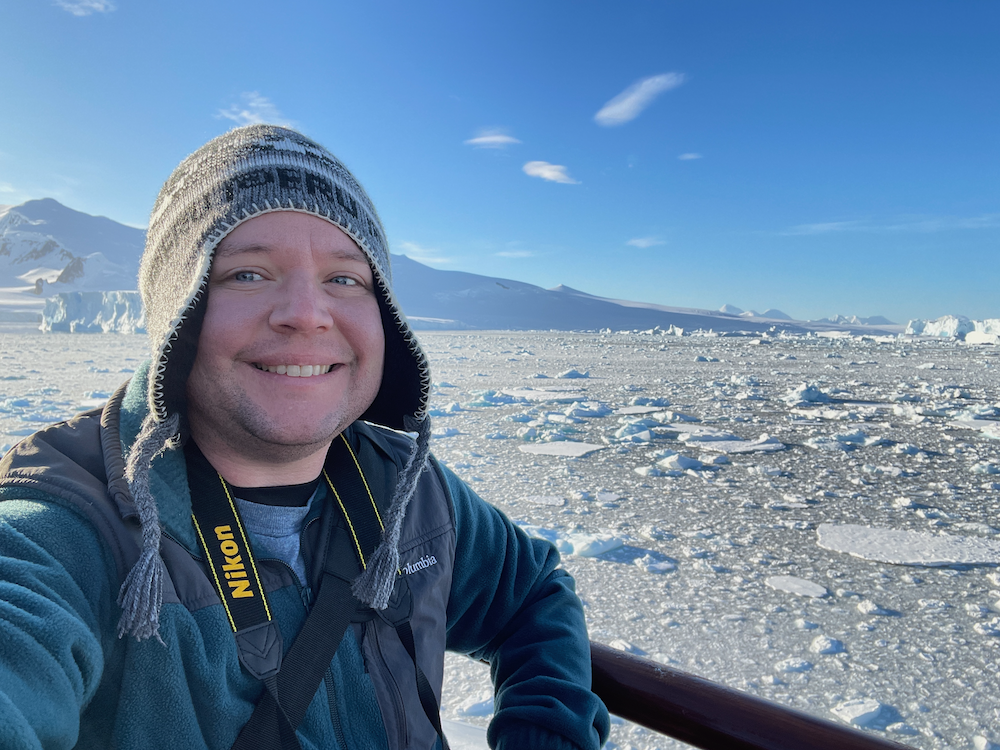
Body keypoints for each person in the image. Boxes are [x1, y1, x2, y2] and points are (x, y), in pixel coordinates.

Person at [0, 125, 610, 750]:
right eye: (247, 274)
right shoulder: (69, 525)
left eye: (345, 279)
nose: (306, 312)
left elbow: (533, 593)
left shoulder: (407, 488)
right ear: (175, 312)